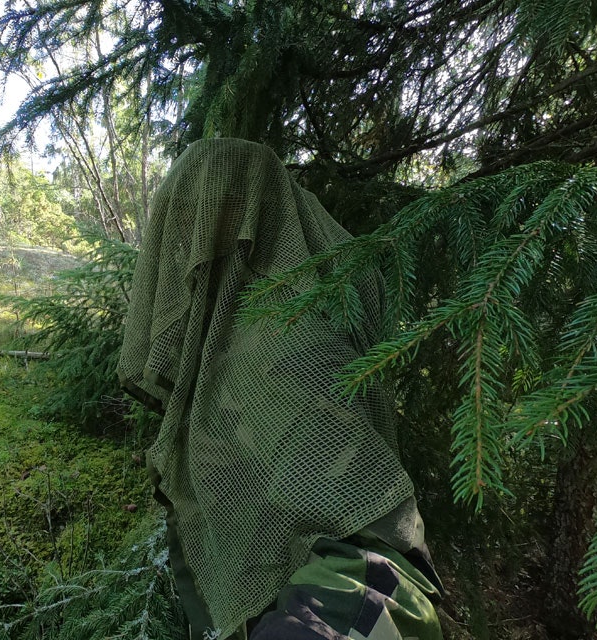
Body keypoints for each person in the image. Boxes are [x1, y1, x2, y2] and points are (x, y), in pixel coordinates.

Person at [118, 138, 444, 640]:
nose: (189, 242)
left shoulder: (286, 345)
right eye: (183, 221)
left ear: (246, 219)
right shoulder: (235, 335)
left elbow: (367, 560)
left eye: (202, 218)